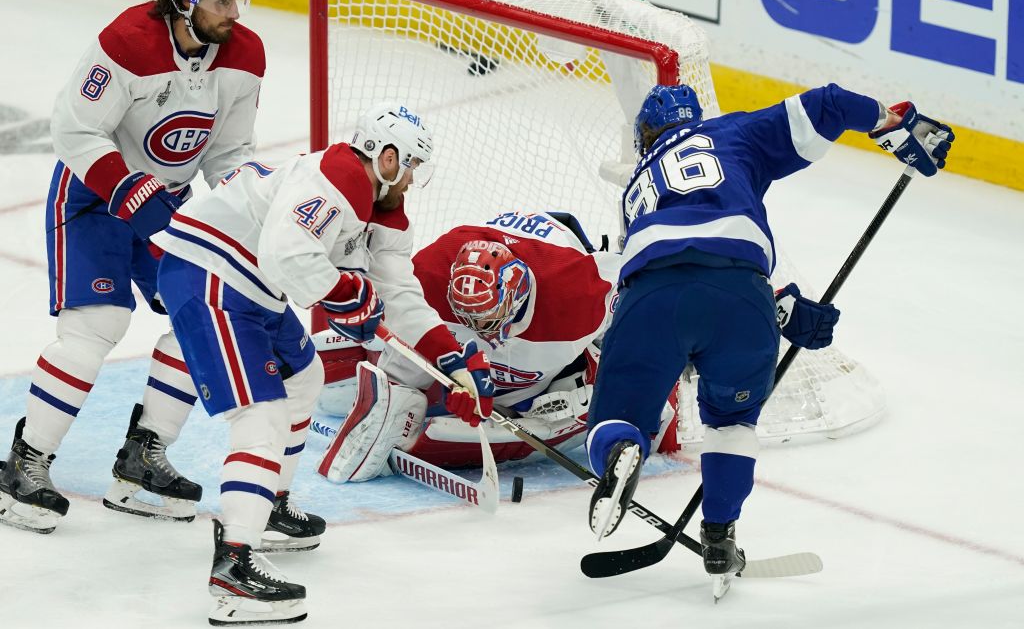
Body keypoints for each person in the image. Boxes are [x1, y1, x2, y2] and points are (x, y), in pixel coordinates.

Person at [584, 83, 954, 592]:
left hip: (653, 293)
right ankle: (720, 536)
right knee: (731, 423)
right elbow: (827, 104)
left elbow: (684, 253)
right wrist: (891, 123)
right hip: (743, 293)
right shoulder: (731, 131)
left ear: (644, 136)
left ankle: (622, 448)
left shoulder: (636, 189)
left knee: (618, 416)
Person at [153, 103, 493, 624]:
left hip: (250, 283)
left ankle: (267, 510)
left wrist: (449, 359)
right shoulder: (337, 177)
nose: (414, 179)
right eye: (413, 166)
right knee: (261, 417)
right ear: (386, 157)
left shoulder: (378, 205)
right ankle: (234, 568)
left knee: (304, 379)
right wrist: (343, 292)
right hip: (212, 272)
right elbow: (287, 255)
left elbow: (397, 290)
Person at [0, 0, 265, 534]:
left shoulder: (244, 55)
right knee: (95, 327)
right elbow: (74, 129)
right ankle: (25, 464)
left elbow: (228, 153)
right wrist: (129, 192)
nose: (234, 11)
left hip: (168, 203)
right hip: (94, 196)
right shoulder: (124, 44)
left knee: (202, 315)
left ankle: (143, 461)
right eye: (222, 0)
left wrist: (245, 205)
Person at [314, 210, 678, 479]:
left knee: (593, 384)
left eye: (490, 322)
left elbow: (653, 290)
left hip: (555, 272)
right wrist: (448, 373)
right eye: (472, 323)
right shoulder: (427, 276)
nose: (485, 336)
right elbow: (393, 328)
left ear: (518, 295)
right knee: (368, 373)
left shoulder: (581, 290)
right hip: (478, 269)